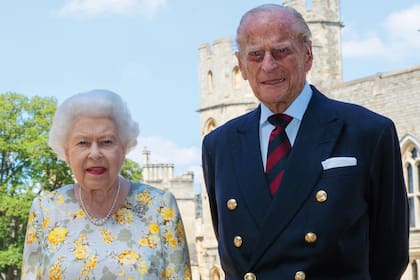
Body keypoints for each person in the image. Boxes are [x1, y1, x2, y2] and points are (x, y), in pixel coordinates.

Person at [201, 4, 409, 280]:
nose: (268, 65)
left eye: (281, 51)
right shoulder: (219, 144)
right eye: (255, 55)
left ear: (308, 55)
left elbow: (390, 258)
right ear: (240, 66)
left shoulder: (368, 132)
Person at [22, 89, 191, 279]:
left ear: (123, 149)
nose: (94, 154)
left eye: (106, 142)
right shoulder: (45, 210)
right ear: (67, 152)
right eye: (83, 142)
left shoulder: (160, 207)